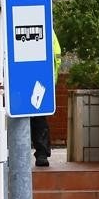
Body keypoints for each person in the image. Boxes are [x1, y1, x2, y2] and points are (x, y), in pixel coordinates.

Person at [32, 29, 62, 167]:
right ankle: (42, 154)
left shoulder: (45, 28)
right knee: (38, 118)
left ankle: (41, 154)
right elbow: (56, 60)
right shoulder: (48, 29)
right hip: (43, 81)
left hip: (38, 81)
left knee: (35, 119)